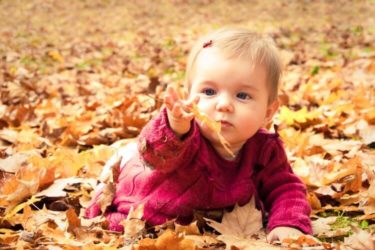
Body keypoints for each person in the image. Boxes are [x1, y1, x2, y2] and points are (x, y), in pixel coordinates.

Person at [85, 28, 312, 242]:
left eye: (242, 95)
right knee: (118, 224)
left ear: (268, 111)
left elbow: (286, 188)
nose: (223, 104)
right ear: (189, 97)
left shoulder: (264, 149)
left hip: (213, 220)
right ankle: (121, 160)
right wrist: (175, 126)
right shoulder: (185, 135)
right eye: (209, 92)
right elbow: (154, 155)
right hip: (157, 203)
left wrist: (289, 224)